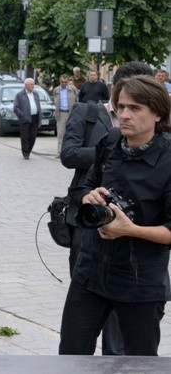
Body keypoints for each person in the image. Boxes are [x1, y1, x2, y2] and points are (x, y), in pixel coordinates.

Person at [59, 74, 171, 356]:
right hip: (91, 272)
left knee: (138, 363)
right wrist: (88, 196)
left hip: (139, 281)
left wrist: (130, 229)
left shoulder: (168, 160)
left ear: (157, 113)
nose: (124, 115)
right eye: (120, 106)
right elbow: (82, 187)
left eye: (135, 108)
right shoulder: (109, 143)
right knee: (70, 355)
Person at [13, 77, 41, 159]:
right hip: (25, 119)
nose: (33, 86)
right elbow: (15, 108)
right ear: (26, 85)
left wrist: (40, 119)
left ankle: (28, 150)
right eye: (31, 84)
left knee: (33, 136)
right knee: (25, 137)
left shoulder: (36, 94)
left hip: (35, 118)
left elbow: (39, 107)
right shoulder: (20, 95)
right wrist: (22, 115)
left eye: (33, 84)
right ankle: (25, 153)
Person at [52, 74, 78, 156]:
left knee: (71, 132)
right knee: (61, 133)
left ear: (68, 81)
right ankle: (60, 152)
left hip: (71, 113)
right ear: (60, 81)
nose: (63, 83)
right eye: (62, 82)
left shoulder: (73, 89)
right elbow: (54, 101)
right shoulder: (56, 90)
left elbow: (77, 101)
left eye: (65, 82)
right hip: (61, 114)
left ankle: (70, 151)